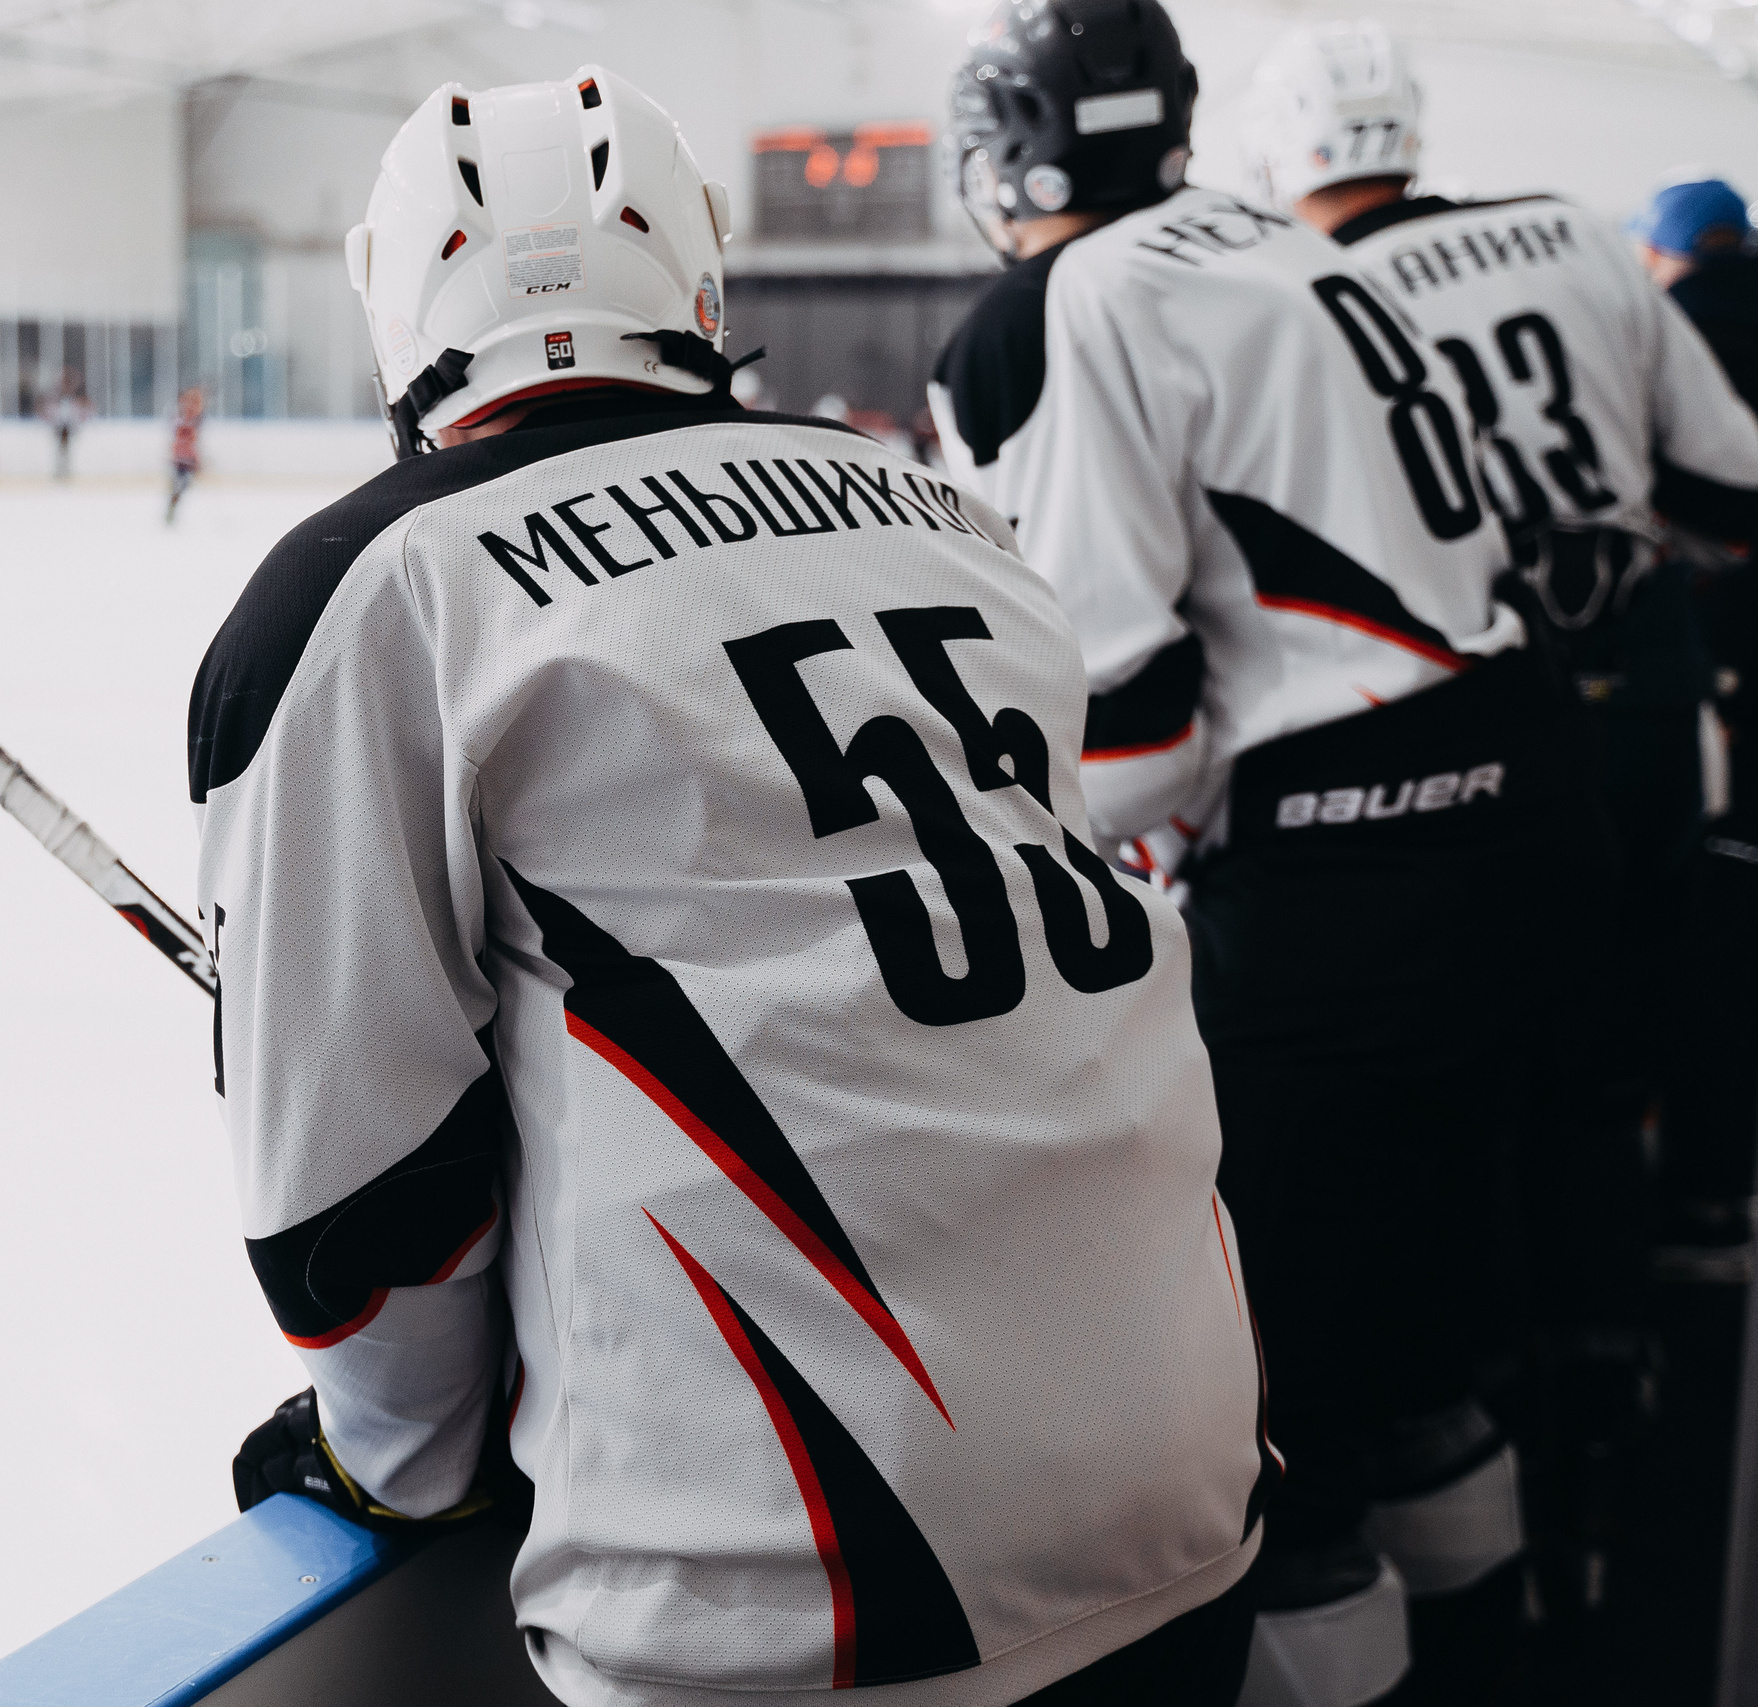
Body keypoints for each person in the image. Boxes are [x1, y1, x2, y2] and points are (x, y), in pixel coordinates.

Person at [201, 64, 1269, 1707]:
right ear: (699, 277)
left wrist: (399, 1456)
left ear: (396, 296)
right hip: (1190, 1479)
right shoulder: (950, 516)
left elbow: (356, 1194)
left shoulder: (373, 588)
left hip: (798, 1590)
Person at [926, 4, 1614, 1700]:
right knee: (1427, 1363)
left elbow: (1141, 736)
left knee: (1277, 1430)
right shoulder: (1287, 242)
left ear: (1009, 150)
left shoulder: (1067, 299)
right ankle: (1515, 1660)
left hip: (1341, 877)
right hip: (1512, 811)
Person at [1244, 27, 1758, 1660]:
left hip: (1469, 731)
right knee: (1611, 1062)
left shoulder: (1301, 295)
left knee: (1465, 1087)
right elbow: (1736, 487)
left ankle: (1476, 1461)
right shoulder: (1571, 232)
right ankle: (1622, 1400)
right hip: (1639, 695)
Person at [1630, 175, 1758, 1275]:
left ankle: (1687, 1197)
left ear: (1659, 251)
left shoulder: (1667, 329)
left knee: (1699, 933)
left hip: (1702, 677)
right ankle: (1712, 1196)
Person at [38, 367, 90, 479]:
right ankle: (60, 471)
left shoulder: (74, 398)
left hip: (68, 426)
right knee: (60, 450)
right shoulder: (57, 398)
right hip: (60, 426)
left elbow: (81, 411)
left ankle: (65, 471)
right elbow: (49, 411)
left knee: (65, 450)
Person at [166, 385, 204, 522]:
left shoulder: (195, 419)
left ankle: (172, 509)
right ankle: (171, 511)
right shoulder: (178, 418)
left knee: (183, 486)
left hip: (189, 459)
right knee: (178, 487)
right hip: (179, 459)